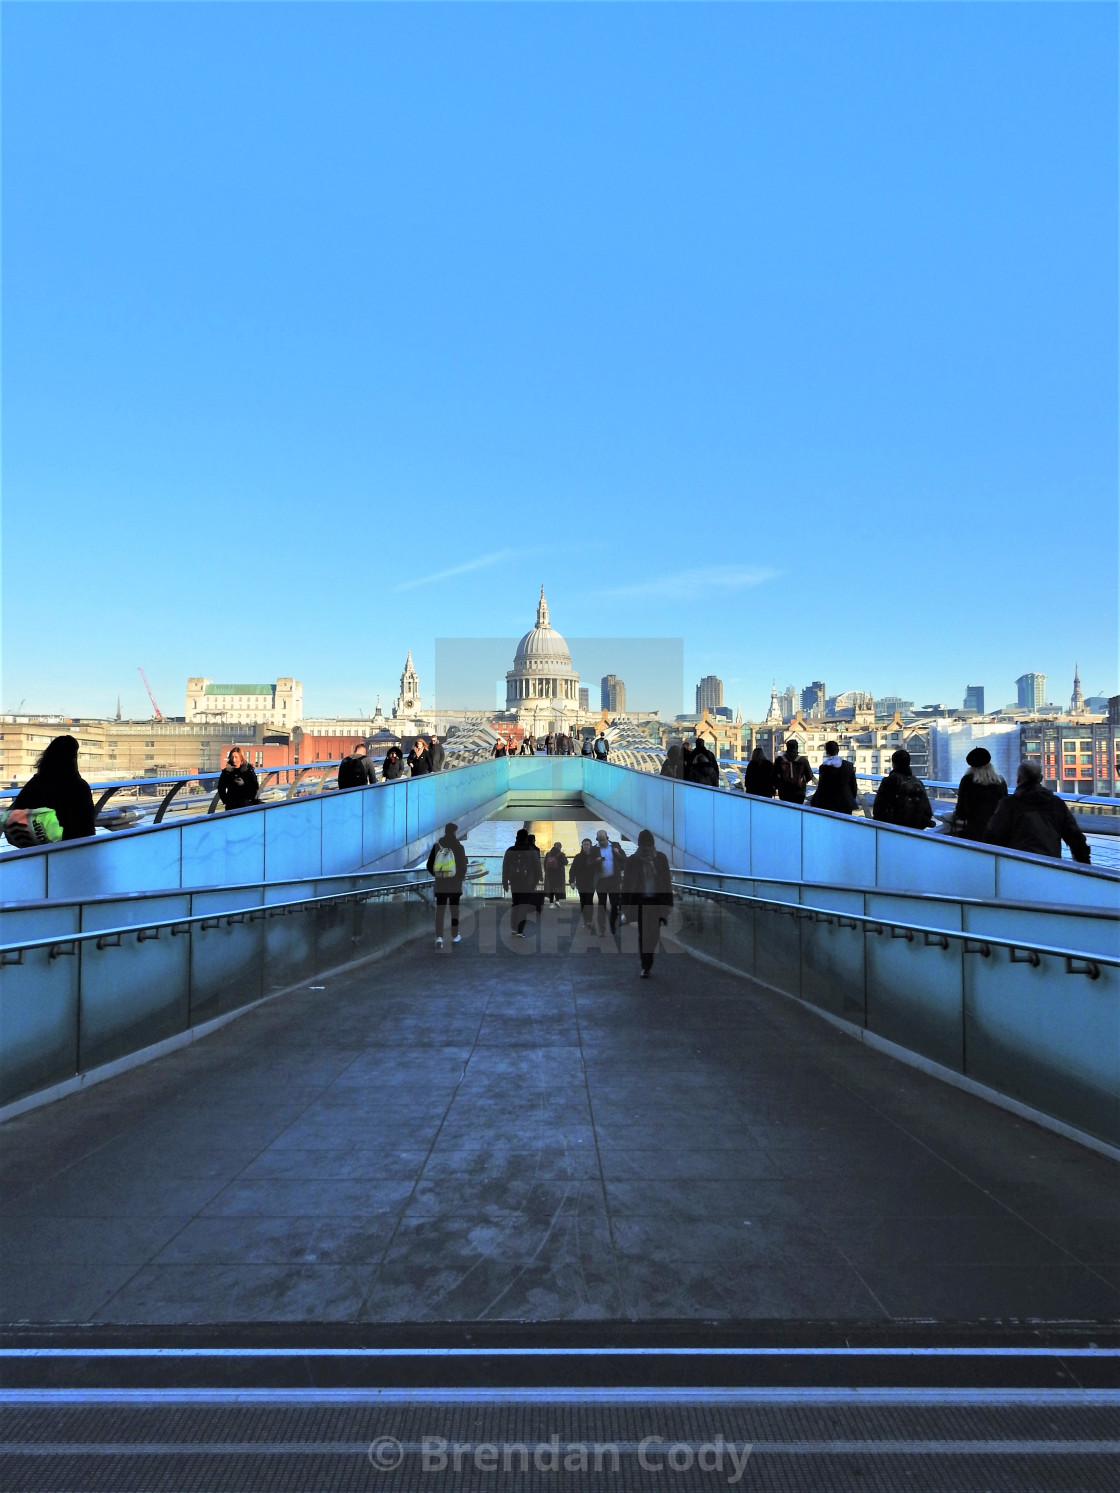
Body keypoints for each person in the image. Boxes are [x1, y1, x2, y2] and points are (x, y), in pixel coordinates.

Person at [985, 762, 1090, 863]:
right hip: (1050, 864)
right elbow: (1075, 837)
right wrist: (1085, 866)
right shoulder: (1056, 803)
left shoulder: (1008, 805)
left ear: (1019, 779)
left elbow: (993, 835)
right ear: (1040, 778)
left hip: (1017, 864)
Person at [6, 734, 95, 843]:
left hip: (35, 846)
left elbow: (18, 808)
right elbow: (87, 827)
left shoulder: (36, 783)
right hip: (69, 847)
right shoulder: (79, 787)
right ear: (73, 758)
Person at [621, 828, 674, 978]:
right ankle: (646, 965)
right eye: (644, 845)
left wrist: (669, 903)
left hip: (657, 902)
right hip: (641, 902)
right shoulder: (633, 860)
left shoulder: (660, 859)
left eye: (649, 845)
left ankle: (648, 956)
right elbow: (627, 884)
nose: (647, 848)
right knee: (644, 934)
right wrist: (624, 906)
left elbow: (666, 881)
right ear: (639, 845)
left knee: (655, 934)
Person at [426, 821, 468, 947]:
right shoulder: (459, 847)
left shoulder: (437, 846)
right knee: (454, 910)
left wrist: (438, 875)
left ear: (445, 831)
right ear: (455, 832)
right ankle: (455, 935)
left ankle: (439, 937)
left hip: (441, 884)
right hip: (455, 884)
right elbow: (462, 867)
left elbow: (429, 865)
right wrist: (459, 878)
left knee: (440, 911)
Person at [951, 747, 1007, 840]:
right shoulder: (1000, 781)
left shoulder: (967, 781)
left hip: (976, 830)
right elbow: (1005, 806)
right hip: (998, 829)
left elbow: (962, 812)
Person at [872, 749, 935, 831]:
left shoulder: (889, 781)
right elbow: (927, 810)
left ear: (894, 764)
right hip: (916, 829)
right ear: (909, 763)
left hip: (894, 829)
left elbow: (879, 809)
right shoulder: (917, 782)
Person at [502, 827, 543, 937]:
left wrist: (505, 881)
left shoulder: (510, 850)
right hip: (528, 883)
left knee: (515, 903)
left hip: (514, 882)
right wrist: (539, 878)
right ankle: (520, 930)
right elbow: (537, 866)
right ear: (526, 838)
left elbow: (505, 867)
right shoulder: (531, 850)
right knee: (523, 906)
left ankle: (513, 928)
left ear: (516, 837)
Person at [591, 828, 627, 935]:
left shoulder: (616, 846)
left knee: (614, 904)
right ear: (597, 839)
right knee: (601, 906)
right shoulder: (594, 849)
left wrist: (618, 854)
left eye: (603, 840)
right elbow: (589, 863)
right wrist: (596, 862)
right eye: (599, 840)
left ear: (607, 838)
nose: (602, 842)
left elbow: (624, 859)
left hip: (614, 881)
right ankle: (602, 929)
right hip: (601, 882)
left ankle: (613, 926)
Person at [811, 741, 859, 814]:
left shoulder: (823, 767)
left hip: (828, 803)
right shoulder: (848, 765)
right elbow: (853, 785)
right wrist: (851, 798)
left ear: (826, 752)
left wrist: (816, 802)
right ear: (838, 750)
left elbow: (822, 787)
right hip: (845, 802)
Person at [569, 837, 599, 928]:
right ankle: (586, 920)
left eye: (587, 845)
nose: (585, 846)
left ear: (590, 846)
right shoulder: (578, 857)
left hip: (591, 882)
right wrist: (572, 881)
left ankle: (589, 920)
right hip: (581, 882)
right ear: (582, 846)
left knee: (589, 900)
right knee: (583, 901)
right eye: (584, 845)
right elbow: (573, 870)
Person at [775, 740, 814, 804]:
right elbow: (809, 776)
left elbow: (774, 775)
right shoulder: (803, 760)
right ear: (797, 748)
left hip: (784, 791)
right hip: (799, 792)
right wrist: (802, 783)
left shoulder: (779, 760)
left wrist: (778, 786)